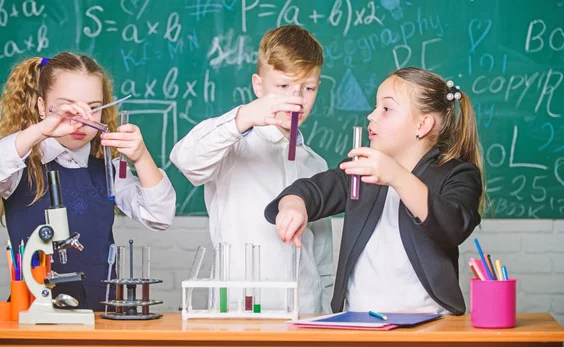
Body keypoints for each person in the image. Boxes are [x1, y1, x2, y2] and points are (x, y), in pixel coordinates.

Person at [0, 52, 176, 311]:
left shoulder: (108, 168)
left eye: (93, 108)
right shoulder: (22, 164)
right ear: (42, 107)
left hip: (103, 313)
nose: (81, 120)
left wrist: (142, 157)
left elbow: (160, 216)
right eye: (68, 108)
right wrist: (40, 131)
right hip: (36, 311)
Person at [265, 67, 484, 315]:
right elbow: (314, 190)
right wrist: (294, 203)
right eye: (375, 106)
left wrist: (396, 175)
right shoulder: (362, 170)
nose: (371, 116)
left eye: (386, 109)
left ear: (423, 124)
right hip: (360, 322)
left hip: (431, 324)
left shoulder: (457, 173)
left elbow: (453, 225)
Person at [171, 25, 334, 314]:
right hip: (238, 311)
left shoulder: (316, 164)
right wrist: (244, 116)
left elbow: (321, 256)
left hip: (305, 311)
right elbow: (185, 160)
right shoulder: (231, 145)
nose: (296, 99)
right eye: (283, 87)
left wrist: (325, 314)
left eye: (308, 88)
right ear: (258, 86)